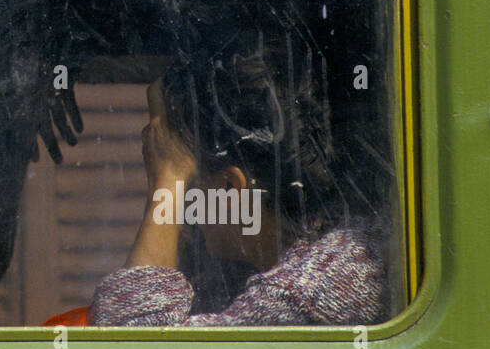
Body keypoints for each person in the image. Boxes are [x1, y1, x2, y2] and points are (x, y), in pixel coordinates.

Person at [89, 38, 397, 326]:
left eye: (187, 186)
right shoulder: (335, 253)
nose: (184, 211)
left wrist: (166, 178)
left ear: (230, 189)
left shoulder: (303, 294)